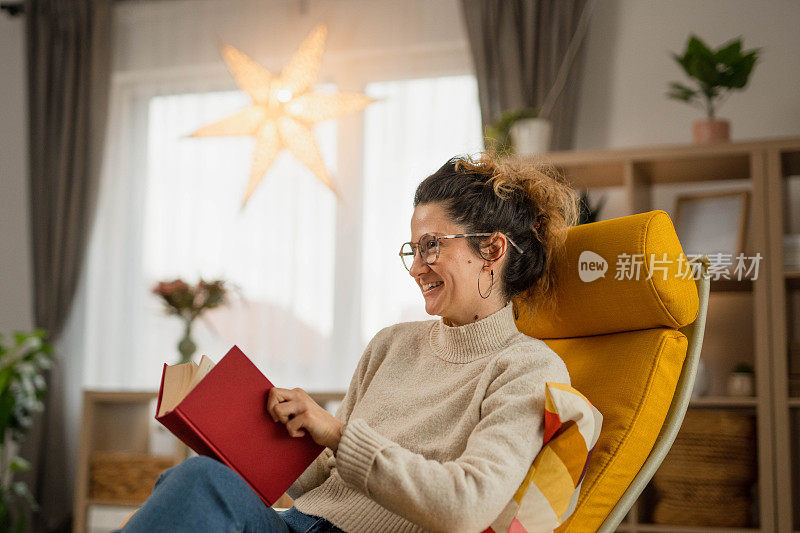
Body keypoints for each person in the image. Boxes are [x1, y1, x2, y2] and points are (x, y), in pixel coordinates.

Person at [116, 152, 579, 533]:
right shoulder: (391, 345)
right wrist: (275, 431)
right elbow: (327, 482)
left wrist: (337, 434)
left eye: (432, 245)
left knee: (199, 485)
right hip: (298, 523)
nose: (417, 267)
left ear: (492, 251)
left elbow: (465, 506)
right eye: (413, 250)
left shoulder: (527, 370)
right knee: (193, 481)